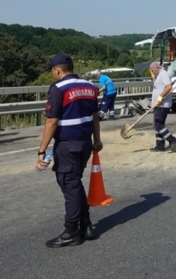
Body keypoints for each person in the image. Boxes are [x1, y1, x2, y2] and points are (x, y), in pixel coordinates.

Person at [36, 54, 103, 248]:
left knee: (69, 184)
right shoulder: (90, 87)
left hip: (67, 145)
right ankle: (86, 225)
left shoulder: (58, 88)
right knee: (75, 183)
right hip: (85, 143)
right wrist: (97, 140)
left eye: (53, 72)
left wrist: (42, 150)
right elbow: (95, 116)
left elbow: (52, 121)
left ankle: (71, 231)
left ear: (57, 70)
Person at [148, 61, 176, 152]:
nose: (152, 72)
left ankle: (172, 140)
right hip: (158, 104)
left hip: (162, 104)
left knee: (158, 125)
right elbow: (157, 87)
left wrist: (160, 97)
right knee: (159, 125)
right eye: (151, 71)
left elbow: (169, 87)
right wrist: (153, 78)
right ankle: (160, 146)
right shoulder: (159, 76)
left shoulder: (163, 74)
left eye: (153, 71)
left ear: (157, 68)